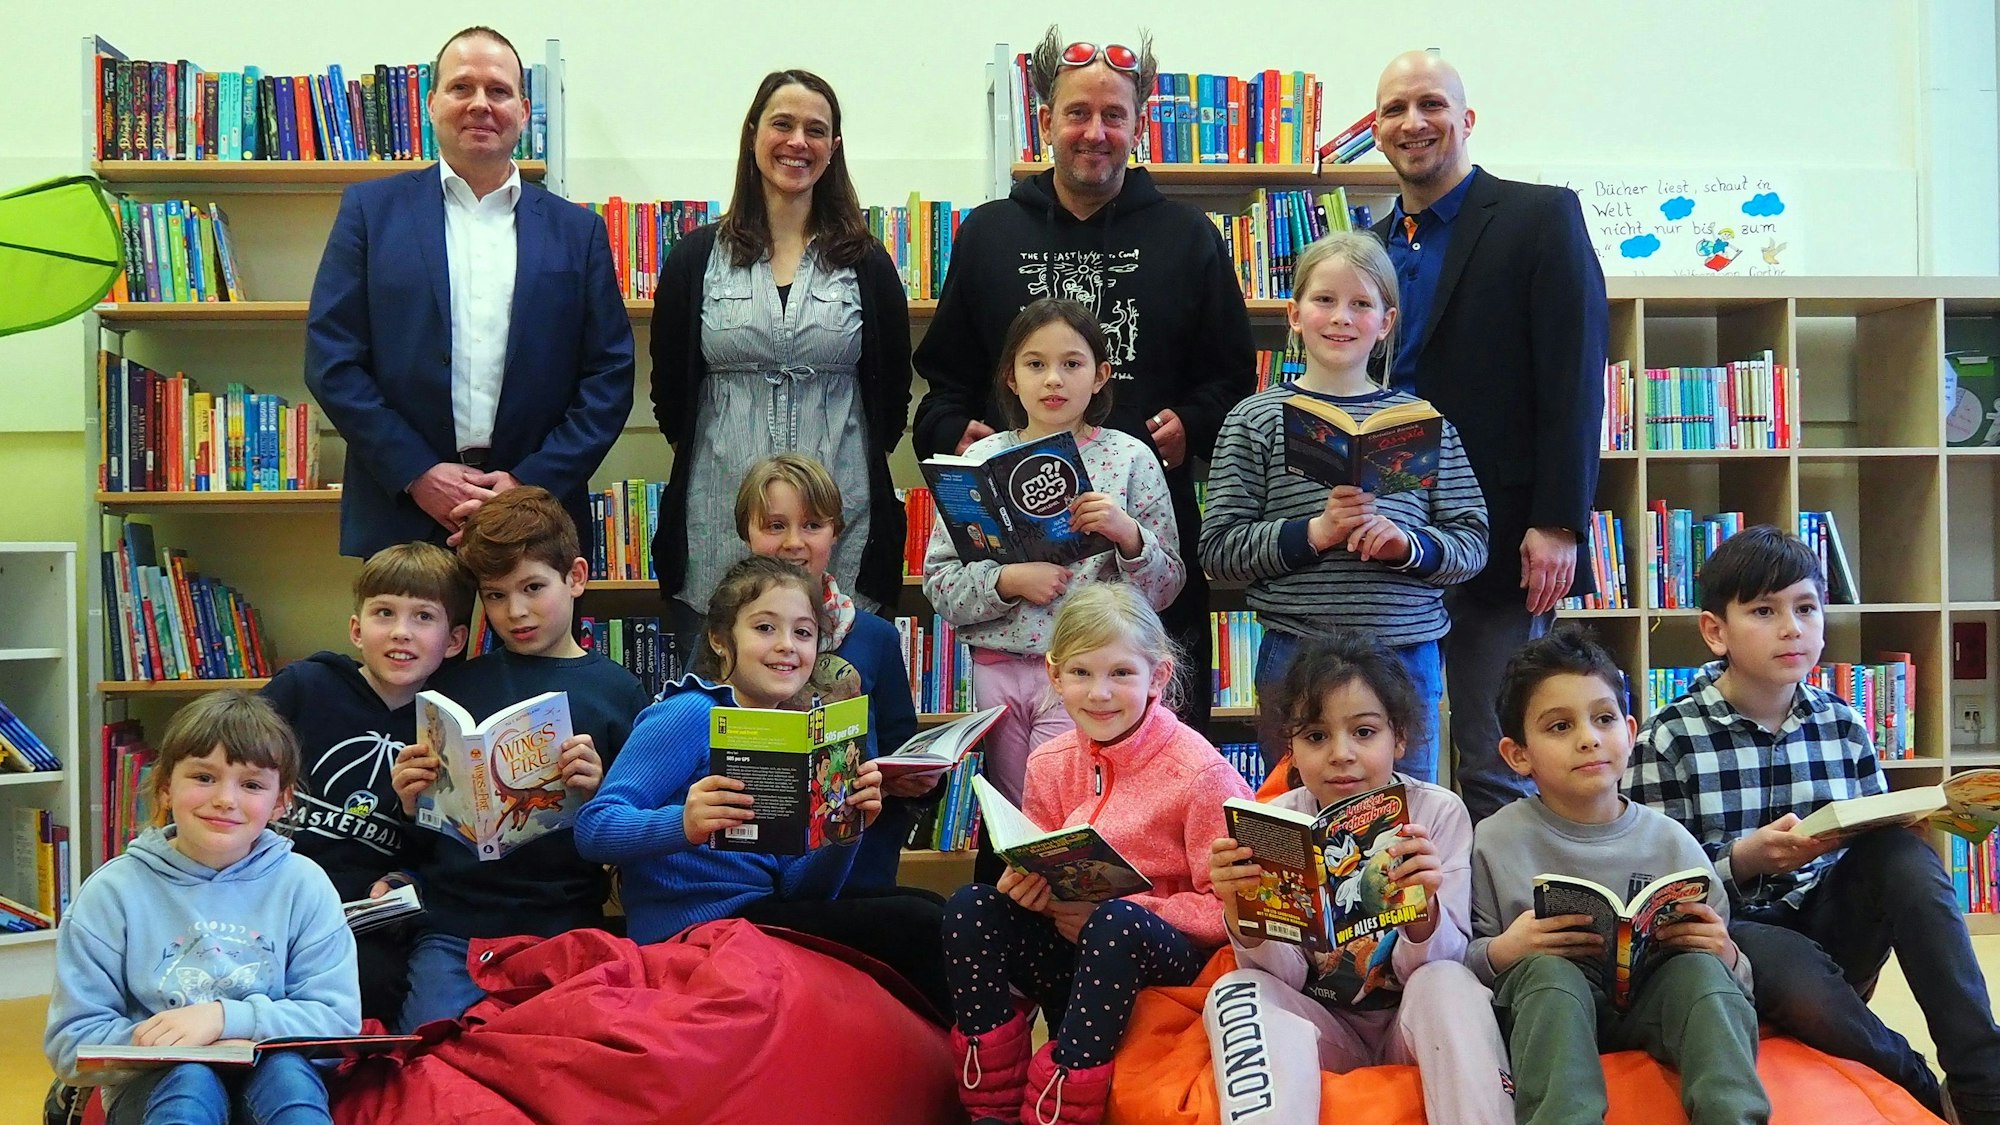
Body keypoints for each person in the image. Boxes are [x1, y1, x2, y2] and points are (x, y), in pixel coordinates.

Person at [911, 27, 1256, 733]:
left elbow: (1232, 379)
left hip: (1139, 536)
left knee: (1157, 742)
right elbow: (943, 378)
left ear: (1139, 124)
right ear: (1046, 121)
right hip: (1018, 582)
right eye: (1077, 113)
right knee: (1024, 774)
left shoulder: (1190, 236)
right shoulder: (988, 233)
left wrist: (1193, 423)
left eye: (1113, 115)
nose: (1095, 132)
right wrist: (954, 429)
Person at [1627, 525, 2000, 1124]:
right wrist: (1746, 859)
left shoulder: (1843, 724)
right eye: (1764, 611)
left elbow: (1875, 838)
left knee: (1903, 856)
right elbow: (1651, 886)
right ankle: (1919, 1085)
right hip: (1734, 934)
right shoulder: (1668, 738)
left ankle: (1984, 1082)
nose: (1791, 628)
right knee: (1784, 962)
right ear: (1715, 632)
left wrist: (1910, 825)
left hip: (1831, 919)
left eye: (1806, 609)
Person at [1369, 50, 1606, 820]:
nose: (1413, 122)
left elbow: (1575, 375)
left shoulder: (1539, 218)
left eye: (1431, 104)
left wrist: (1559, 520)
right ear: (1377, 129)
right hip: (1390, 535)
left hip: (1504, 537)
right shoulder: (1372, 243)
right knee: (1386, 758)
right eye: (1395, 109)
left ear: (1466, 119)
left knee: (1497, 752)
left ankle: (1509, 902)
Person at [306, 25, 635, 558]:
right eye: (462, 87)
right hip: (403, 510)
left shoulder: (578, 232)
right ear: (432, 103)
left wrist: (529, 484)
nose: (480, 104)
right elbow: (332, 360)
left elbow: (609, 375)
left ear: (523, 111)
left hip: (538, 514)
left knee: (535, 623)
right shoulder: (369, 213)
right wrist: (417, 472)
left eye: (498, 90)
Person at [575, 555, 951, 1017]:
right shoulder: (690, 712)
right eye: (765, 628)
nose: (787, 646)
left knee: (932, 907)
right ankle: (972, 1051)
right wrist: (683, 824)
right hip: (693, 932)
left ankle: (954, 1048)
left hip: (757, 914)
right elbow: (594, 828)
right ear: (720, 638)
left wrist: (844, 831)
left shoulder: (789, 734)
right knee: (919, 923)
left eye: (803, 633)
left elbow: (799, 889)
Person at [941, 584, 1251, 1125]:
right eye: (1081, 673)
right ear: (1055, 675)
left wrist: (1119, 911)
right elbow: (1042, 860)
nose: (1099, 693)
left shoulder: (1201, 774)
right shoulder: (1049, 761)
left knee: (1115, 923)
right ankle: (991, 1106)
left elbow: (1228, 912)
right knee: (971, 906)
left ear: (1158, 676)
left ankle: (1061, 1106)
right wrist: (1028, 891)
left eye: (1121, 673)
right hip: (1074, 950)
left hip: (1167, 966)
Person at [1200, 231, 1486, 781]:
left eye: (1361, 304)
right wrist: (1315, 533)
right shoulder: (1255, 419)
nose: (1341, 318)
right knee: (1298, 807)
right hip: (1297, 650)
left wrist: (1408, 547)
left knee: (1403, 807)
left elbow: (1472, 541)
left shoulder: (1423, 422)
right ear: (1294, 314)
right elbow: (1219, 550)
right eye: (1325, 300)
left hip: (1406, 651)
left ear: (1386, 322)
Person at [649, 69, 912, 659]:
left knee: (840, 697)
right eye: (782, 125)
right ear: (752, 135)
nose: (798, 142)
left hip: (843, 523)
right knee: (721, 697)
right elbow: (669, 393)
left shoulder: (867, 262)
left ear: (833, 148)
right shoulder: (696, 257)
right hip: (717, 520)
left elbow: (892, 395)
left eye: (815, 130)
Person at [1202, 632, 1511, 1124]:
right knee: (1235, 990)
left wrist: (1424, 911)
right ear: (1291, 749)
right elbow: (1284, 978)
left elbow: (1447, 964)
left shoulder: (1437, 813)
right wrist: (1244, 914)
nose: (1341, 754)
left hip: (1412, 1022)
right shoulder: (1277, 822)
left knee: (1450, 982)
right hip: (1322, 1026)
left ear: (1399, 737)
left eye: (1364, 732)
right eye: (1315, 736)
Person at [923, 298, 1183, 882]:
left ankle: (1074, 922)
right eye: (1035, 364)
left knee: (1069, 815)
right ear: (1011, 378)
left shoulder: (1128, 458)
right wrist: (1006, 581)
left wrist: (1126, 534)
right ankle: (1020, 924)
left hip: (1085, 673)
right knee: (1012, 820)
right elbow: (939, 583)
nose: (1053, 380)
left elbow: (1167, 588)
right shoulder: (980, 459)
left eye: (1072, 363)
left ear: (1101, 375)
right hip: (997, 668)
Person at [1472, 627, 1767, 1125]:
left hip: (1656, 1001)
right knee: (1548, 977)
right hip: (1550, 1014)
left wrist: (1725, 953)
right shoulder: (1494, 839)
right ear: (1518, 754)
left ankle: (1732, 1116)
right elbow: (1465, 962)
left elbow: (1735, 979)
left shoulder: (1672, 841)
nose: (1589, 738)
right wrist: (1504, 950)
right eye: (1560, 726)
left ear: (1630, 733)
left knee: (1700, 976)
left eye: (1604, 719)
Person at [389, 486, 650, 1031]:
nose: (516, 611)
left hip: (564, 924)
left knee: (560, 1051)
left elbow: (638, 836)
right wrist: (412, 803)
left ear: (575, 577)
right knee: (430, 1047)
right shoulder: (454, 687)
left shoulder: (618, 692)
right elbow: (421, 841)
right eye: (496, 595)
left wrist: (600, 792)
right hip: (456, 926)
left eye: (533, 587)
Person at [45, 691, 359, 1125]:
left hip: (273, 1078)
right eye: (204, 777)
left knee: (289, 1079)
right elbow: (71, 1044)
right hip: (157, 1090)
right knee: (190, 1082)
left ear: (281, 802)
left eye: (251, 785)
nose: (226, 799)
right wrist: (179, 1043)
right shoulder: (111, 893)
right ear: (165, 788)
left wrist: (224, 1019)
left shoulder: (304, 885)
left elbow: (337, 1021)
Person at [259, 541, 473, 1025]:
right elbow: (240, 757)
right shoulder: (304, 687)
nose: (401, 632)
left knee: (376, 988)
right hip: (272, 890)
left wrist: (410, 833)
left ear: (454, 640)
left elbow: (436, 855)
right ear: (357, 629)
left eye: (423, 617)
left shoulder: (449, 727)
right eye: (384, 613)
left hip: (363, 916)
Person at [728, 453, 934, 891]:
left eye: (812, 525)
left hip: (856, 867)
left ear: (835, 532)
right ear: (746, 533)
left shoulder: (875, 637)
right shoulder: (723, 634)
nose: (794, 543)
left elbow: (901, 749)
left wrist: (918, 780)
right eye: (774, 526)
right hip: (748, 869)